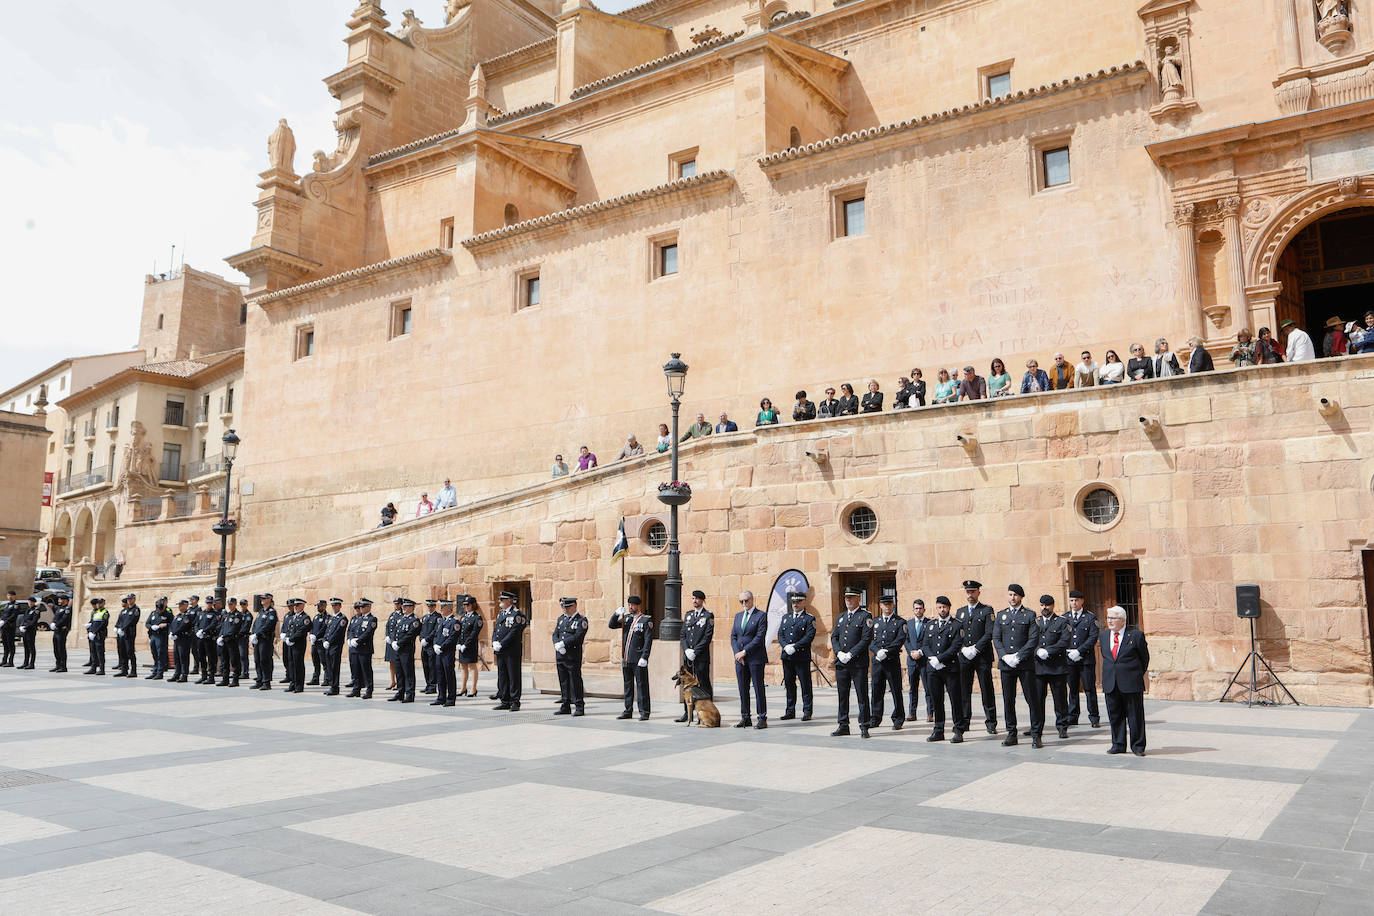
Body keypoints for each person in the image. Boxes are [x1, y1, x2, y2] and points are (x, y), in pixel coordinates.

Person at [992, 584, 1039, 747]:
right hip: (1006, 665)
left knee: (1032, 699)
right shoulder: (1001, 615)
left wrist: (1019, 656)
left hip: (1024, 664)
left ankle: (1036, 734)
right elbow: (996, 638)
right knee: (1008, 700)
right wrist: (1004, 656)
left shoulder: (1030, 615)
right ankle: (1011, 733)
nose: (1012, 598)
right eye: (1010, 594)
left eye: (1015, 595)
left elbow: (1033, 639)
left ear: (1021, 597)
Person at [1100, 605, 1149, 756]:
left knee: (1135, 716)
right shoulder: (1103, 636)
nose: (1109, 621)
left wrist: (1134, 674)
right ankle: (1118, 744)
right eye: (1108, 618)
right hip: (1111, 683)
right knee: (1115, 714)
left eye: (1113, 618)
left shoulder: (1135, 635)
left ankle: (1138, 746)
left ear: (1122, 620)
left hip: (1131, 683)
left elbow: (1144, 659)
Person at [955, 579, 997, 735]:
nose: (970, 594)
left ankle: (991, 721)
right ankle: (965, 721)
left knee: (987, 689)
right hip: (965, 657)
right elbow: (956, 633)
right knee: (964, 691)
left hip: (982, 657)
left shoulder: (986, 610)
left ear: (979, 592)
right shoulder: (960, 612)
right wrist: (963, 648)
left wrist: (976, 648)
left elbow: (989, 632)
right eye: (968, 591)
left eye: (973, 591)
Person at [830, 585, 873, 738]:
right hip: (842, 663)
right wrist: (839, 652)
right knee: (842, 695)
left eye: (851, 598)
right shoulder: (841, 616)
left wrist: (851, 654)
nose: (848, 600)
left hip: (857, 664)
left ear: (858, 599)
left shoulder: (865, 616)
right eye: (846, 598)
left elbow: (866, 639)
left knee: (862, 695)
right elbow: (834, 636)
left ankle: (864, 725)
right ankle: (843, 725)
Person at [920, 596, 964, 742]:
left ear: (949, 608)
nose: (942, 610)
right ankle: (938, 730)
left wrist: (940, 659)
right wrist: (932, 659)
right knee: (936, 700)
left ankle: (958, 730)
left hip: (950, 668)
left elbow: (956, 646)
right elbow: (925, 644)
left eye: (944, 607)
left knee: (955, 700)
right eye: (939, 607)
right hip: (933, 669)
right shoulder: (930, 624)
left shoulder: (957, 625)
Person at [1030, 594, 1071, 743]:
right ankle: (1037, 729)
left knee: (1060, 700)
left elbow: (1065, 640)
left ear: (1053, 606)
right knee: (1038, 700)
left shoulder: (1061, 622)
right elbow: (1030, 640)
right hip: (1039, 668)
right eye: (1042, 605)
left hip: (1056, 667)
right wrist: (1036, 651)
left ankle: (1062, 726)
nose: (1044, 608)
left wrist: (1050, 650)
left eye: (1047, 605)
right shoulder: (1035, 622)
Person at [729, 590, 768, 728]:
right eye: (741, 601)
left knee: (758, 688)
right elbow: (733, 636)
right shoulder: (738, 616)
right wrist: (737, 653)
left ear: (752, 600)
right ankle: (745, 717)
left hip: (755, 658)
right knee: (742, 688)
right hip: (740, 659)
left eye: (746, 600)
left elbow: (759, 637)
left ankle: (762, 717)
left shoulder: (761, 615)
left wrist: (744, 652)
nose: (744, 604)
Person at [611, 596, 653, 720]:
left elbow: (648, 640)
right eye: (629, 605)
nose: (630, 607)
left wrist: (645, 657)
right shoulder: (627, 619)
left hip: (638, 659)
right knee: (628, 686)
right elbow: (612, 625)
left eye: (633, 605)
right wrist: (616, 614)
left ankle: (644, 712)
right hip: (626, 658)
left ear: (638, 606)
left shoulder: (645, 620)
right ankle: (628, 710)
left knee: (642, 686)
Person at [776, 591, 815, 721]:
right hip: (787, 656)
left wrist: (795, 646)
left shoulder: (809, 618)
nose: (795, 604)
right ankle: (790, 710)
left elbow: (809, 636)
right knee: (789, 684)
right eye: (793, 602)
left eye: (798, 602)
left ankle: (807, 711)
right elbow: (780, 634)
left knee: (805, 684)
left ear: (804, 602)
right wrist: (785, 646)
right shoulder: (786, 618)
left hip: (801, 656)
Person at [868, 595, 905, 731]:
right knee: (876, 690)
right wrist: (877, 651)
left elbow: (899, 640)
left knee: (896, 690)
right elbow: (869, 640)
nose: (887, 607)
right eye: (884, 604)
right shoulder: (874, 622)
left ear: (893, 605)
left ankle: (898, 718)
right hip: (878, 662)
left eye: (889, 604)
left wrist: (887, 652)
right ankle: (875, 718)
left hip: (891, 661)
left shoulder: (900, 622)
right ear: (880, 606)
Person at [1065, 590, 1101, 728]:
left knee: (1089, 688)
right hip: (1070, 660)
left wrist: (1079, 651)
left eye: (1076, 600)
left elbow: (1093, 637)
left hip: (1085, 659)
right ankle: (1073, 716)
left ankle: (1094, 717)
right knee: (1073, 689)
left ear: (1082, 601)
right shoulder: (1065, 618)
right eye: (1072, 600)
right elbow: (1063, 637)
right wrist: (1069, 652)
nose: (1074, 603)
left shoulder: (1090, 617)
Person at [678, 589, 714, 719]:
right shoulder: (688, 615)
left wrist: (696, 651)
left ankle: (707, 711)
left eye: (697, 598)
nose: (695, 601)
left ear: (702, 600)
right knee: (687, 684)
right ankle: (688, 713)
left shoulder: (708, 616)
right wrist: (687, 649)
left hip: (701, 656)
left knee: (703, 684)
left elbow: (707, 637)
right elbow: (683, 634)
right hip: (688, 656)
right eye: (693, 598)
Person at [491, 590, 527, 710]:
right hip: (501, 650)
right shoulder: (501, 614)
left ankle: (515, 701)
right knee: (503, 675)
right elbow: (496, 629)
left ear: (509, 601)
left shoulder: (517, 615)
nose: (500, 602)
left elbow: (515, 632)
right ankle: (504, 700)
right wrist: (494, 641)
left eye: (502, 600)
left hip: (512, 650)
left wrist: (502, 643)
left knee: (513, 676)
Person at [551, 596, 588, 715]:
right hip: (561, 656)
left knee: (575, 681)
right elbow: (555, 634)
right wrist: (557, 643)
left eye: (567, 607)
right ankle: (565, 705)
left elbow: (578, 637)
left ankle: (579, 706)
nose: (565, 609)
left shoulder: (581, 620)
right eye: (564, 607)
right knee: (563, 681)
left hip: (572, 656)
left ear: (574, 606)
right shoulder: (561, 619)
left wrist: (564, 643)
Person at [905, 599, 931, 722]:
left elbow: (930, 641)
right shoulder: (908, 623)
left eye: (920, 608)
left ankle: (930, 713)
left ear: (924, 610)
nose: (918, 610)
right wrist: (911, 652)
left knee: (928, 687)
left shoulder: (929, 623)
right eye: (916, 608)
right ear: (913, 610)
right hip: (912, 660)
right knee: (912, 688)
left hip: (924, 660)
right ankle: (912, 713)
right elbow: (906, 640)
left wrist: (920, 652)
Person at [390, 599, 420, 703]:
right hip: (398, 650)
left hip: (406, 650)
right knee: (399, 672)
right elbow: (394, 631)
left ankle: (410, 694)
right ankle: (400, 692)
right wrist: (393, 641)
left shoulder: (414, 620)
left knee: (408, 672)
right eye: (403, 606)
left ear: (412, 607)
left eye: (406, 606)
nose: (403, 608)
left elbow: (410, 635)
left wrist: (399, 643)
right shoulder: (401, 619)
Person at [346, 597, 377, 699]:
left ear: (369, 607)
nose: (361, 608)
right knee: (355, 670)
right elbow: (350, 630)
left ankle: (369, 690)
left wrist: (358, 640)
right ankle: (356, 689)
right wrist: (350, 639)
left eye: (363, 606)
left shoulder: (372, 619)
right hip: (355, 648)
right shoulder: (358, 618)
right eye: (360, 607)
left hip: (364, 649)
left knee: (366, 670)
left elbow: (368, 633)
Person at [431, 598, 459, 706]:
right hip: (439, 653)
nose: (441, 609)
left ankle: (451, 698)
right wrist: (435, 645)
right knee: (440, 675)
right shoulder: (442, 621)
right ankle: (441, 697)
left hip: (447, 653)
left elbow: (452, 638)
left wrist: (441, 647)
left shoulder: (455, 622)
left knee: (449, 675)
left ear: (449, 608)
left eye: (443, 607)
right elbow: (436, 635)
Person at [456, 595, 483, 697]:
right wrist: (458, 643)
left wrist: (466, 645)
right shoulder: (463, 617)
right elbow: (459, 631)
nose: (466, 607)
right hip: (462, 645)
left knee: (472, 666)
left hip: (470, 646)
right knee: (463, 666)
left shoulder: (477, 618)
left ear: (473, 605)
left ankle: (473, 688)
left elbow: (474, 633)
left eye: (468, 605)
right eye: (465, 605)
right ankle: (463, 688)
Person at [250, 593, 278, 689]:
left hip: (265, 640)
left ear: (269, 600)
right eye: (261, 598)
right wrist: (253, 633)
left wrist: (257, 634)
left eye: (264, 598)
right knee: (257, 660)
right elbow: (255, 624)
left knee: (264, 660)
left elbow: (268, 625)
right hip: (258, 640)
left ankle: (266, 682)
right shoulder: (261, 612)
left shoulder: (271, 612)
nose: (262, 600)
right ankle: (259, 680)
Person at [286, 598, 314, 693]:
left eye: (297, 605)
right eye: (294, 605)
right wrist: (287, 637)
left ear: (302, 606)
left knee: (298, 665)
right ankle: (293, 683)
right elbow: (290, 629)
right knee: (291, 663)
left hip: (298, 644)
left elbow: (301, 631)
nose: (295, 607)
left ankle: (299, 686)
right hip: (291, 644)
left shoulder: (305, 618)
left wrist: (291, 639)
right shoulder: (294, 617)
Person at [322, 598, 348, 695]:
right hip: (328, 646)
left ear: (340, 606)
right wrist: (325, 640)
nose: (334, 607)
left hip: (335, 646)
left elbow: (338, 632)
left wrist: (329, 641)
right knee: (329, 667)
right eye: (332, 605)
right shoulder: (331, 618)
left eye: (336, 605)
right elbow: (327, 631)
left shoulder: (342, 619)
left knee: (334, 667)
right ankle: (332, 685)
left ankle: (335, 687)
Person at [216, 597, 243, 687]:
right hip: (224, 641)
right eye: (229, 604)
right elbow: (223, 627)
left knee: (234, 660)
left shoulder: (237, 615)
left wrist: (224, 636)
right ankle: (225, 679)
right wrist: (220, 636)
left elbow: (234, 628)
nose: (230, 606)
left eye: (231, 604)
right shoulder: (227, 615)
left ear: (235, 604)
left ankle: (235, 680)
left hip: (232, 641)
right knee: (224, 661)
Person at [112, 594, 141, 678]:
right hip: (121, 634)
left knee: (130, 652)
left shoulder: (136, 610)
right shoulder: (124, 610)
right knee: (122, 651)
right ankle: (124, 670)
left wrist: (123, 628)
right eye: (128, 599)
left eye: (131, 599)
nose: (129, 600)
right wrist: (117, 627)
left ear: (134, 599)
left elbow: (132, 621)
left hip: (129, 633)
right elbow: (120, 619)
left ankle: (133, 671)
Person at [144, 597, 171, 679]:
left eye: (161, 609)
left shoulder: (168, 614)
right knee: (154, 653)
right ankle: (155, 670)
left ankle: (160, 672)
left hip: (161, 636)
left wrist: (165, 625)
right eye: (158, 609)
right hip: (153, 636)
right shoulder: (153, 613)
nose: (160, 611)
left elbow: (172, 624)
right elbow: (147, 623)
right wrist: (151, 627)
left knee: (161, 654)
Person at [419, 599, 441, 694]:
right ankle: (428, 684)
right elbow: (422, 630)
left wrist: (427, 639)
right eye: (428, 606)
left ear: (434, 606)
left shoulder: (438, 617)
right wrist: (421, 639)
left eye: (431, 606)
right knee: (425, 665)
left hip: (431, 644)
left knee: (432, 666)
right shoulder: (425, 617)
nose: (430, 607)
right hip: (424, 645)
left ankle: (432, 686)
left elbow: (436, 630)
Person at [168, 598, 193, 682]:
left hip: (184, 639)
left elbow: (183, 626)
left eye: (181, 605)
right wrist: (171, 632)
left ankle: (184, 675)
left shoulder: (187, 615)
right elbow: (172, 625)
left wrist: (175, 633)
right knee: (176, 657)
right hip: (177, 639)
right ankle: (177, 673)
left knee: (183, 657)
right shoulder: (178, 615)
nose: (179, 607)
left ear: (186, 605)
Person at [84, 597, 109, 675]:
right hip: (93, 635)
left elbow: (103, 624)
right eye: (97, 603)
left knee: (100, 652)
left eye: (100, 603)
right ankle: (93, 667)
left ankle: (102, 669)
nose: (98, 604)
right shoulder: (95, 612)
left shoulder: (105, 612)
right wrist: (90, 629)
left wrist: (94, 632)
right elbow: (92, 622)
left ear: (103, 603)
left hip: (99, 634)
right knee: (93, 651)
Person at [309, 600, 330, 686]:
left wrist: (316, 636)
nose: (318, 607)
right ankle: (315, 678)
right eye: (317, 606)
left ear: (324, 606)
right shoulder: (316, 617)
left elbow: (324, 628)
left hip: (321, 642)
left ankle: (327, 679)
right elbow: (312, 627)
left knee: (324, 662)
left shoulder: (327, 617)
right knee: (315, 661)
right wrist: (311, 635)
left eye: (320, 606)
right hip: (315, 643)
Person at [384, 597, 403, 689]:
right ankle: (392, 681)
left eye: (398, 604)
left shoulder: (403, 615)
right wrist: (387, 635)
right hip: (390, 641)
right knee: (391, 661)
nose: (396, 605)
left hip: (396, 641)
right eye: (395, 604)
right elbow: (387, 626)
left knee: (397, 662)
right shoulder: (392, 615)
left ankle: (400, 682)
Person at [17, 596, 41, 669]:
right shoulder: (28, 609)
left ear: (34, 602)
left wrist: (26, 627)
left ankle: (32, 663)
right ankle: (25, 662)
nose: (29, 603)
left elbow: (34, 621)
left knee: (31, 647)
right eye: (29, 602)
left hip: (31, 630)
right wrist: (22, 626)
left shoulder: (36, 610)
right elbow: (24, 619)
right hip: (25, 631)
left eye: (31, 602)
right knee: (26, 647)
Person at [49, 594, 72, 672]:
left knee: (61, 648)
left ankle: (63, 666)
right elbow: (55, 617)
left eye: (60, 599)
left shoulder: (67, 609)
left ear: (65, 601)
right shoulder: (59, 609)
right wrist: (52, 623)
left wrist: (56, 624)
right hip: (56, 630)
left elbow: (64, 619)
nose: (59, 601)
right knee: (56, 649)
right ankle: (58, 665)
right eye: (59, 599)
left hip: (62, 630)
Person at [0, 589, 20, 667]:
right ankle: (4, 660)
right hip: (4, 627)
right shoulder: (7, 605)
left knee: (10, 644)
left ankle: (11, 661)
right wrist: (2, 619)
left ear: (14, 596)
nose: (10, 597)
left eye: (11, 595)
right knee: (5, 644)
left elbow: (14, 615)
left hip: (10, 627)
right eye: (8, 595)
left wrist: (5, 621)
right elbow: (4, 614)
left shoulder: (16, 605)